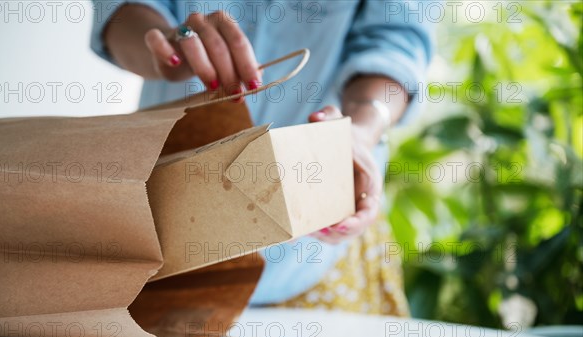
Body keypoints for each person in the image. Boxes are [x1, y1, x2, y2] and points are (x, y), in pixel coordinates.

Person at [91, 0, 433, 315]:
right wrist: (165, 45)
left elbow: (395, 41)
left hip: (311, 268)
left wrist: (360, 129)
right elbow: (120, 10)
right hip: (163, 249)